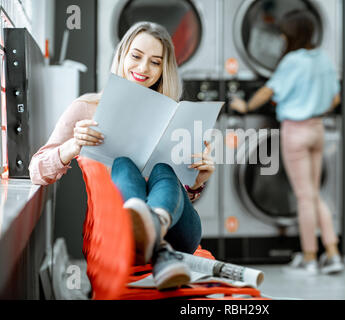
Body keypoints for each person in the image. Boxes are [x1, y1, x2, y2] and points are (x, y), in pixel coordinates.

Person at [29, 22, 215, 289]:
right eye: (136, 56)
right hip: (114, 230)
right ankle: (158, 248)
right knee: (124, 164)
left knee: (164, 169)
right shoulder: (86, 108)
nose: (143, 69)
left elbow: (179, 196)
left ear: (163, 69)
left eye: (155, 62)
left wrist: (198, 181)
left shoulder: (172, 117)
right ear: (122, 55)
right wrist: (73, 145)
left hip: (181, 233)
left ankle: (153, 227)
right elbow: (36, 171)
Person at [230, 9, 343, 275]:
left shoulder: (292, 61)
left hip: (296, 131)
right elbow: (335, 100)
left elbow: (269, 90)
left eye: (283, 33)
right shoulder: (324, 59)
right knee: (315, 195)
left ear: (289, 35)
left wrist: (245, 106)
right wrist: (313, 105)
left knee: (303, 197)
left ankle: (310, 258)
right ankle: (334, 254)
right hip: (318, 129)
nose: (280, 36)